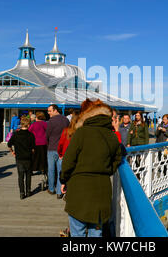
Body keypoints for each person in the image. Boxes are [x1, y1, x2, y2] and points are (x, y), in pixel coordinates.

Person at [59, 99, 122, 237]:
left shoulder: (81, 133)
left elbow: (68, 161)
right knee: (96, 232)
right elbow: (118, 159)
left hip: (78, 189)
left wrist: (63, 180)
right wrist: (106, 170)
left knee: (77, 232)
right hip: (102, 191)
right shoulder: (112, 136)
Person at [8, 116, 35, 200]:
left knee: (20, 176)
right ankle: (28, 191)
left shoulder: (16, 134)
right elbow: (33, 148)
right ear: (28, 125)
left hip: (19, 157)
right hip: (28, 157)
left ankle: (22, 193)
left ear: (21, 124)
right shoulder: (31, 135)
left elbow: (9, 144)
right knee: (28, 175)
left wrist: (12, 151)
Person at [46, 104, 69, 196]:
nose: (48, 113)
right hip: (62, 149)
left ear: (55, 110)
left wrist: (48, 143)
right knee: (60, 170)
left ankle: (51, 189)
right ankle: (60, 191)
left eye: (50, 111)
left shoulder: (51, 121)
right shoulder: (66, 120)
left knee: (51, 170)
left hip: (52, 148)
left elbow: (47, 135)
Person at [57, 111, 80, 200]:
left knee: (62, 172)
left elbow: (60, 144)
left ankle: (60, 192)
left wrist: (60, 154)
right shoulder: (80, 132)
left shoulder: (66, 131)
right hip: (76, 157)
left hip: (65, 155)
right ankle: (70, 192)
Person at [28, 111, 48, 178]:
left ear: (37, 117)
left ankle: (31, 170)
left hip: (35, 143)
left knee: (34, 157)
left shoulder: (33, 124)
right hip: (44, 143)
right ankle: (43, 169)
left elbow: (29, 132)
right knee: (43, 157)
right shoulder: (45, 124)